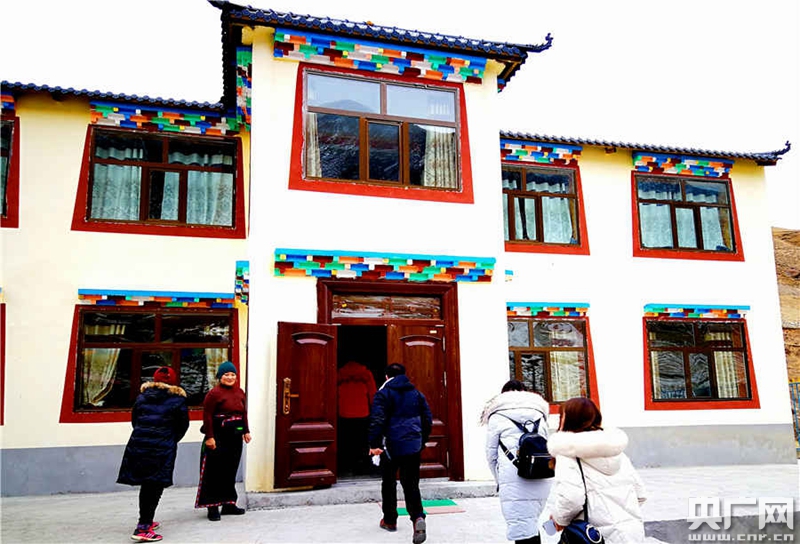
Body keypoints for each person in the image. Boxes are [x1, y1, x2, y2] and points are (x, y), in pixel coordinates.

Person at [547, 397, 647, 544]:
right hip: (631, 534)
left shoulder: (567, 453)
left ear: (567, 420)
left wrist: (558, 519)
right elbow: (641, 494)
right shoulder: (616, 452)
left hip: (594, 536)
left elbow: (571, 498)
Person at [117, 366, 190, 542]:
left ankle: (146, 520)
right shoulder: (177, 399)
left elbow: (135, 421)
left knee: (147, 484)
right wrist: (171, 439)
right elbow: (182, 426)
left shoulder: (142, 397)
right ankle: (143, 526)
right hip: (162, 447)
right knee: (154, 485)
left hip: (139, 444)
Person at [480, 379, 552, 544]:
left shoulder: (497, 416)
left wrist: (499, 479)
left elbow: (491, 455)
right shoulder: (540, 414)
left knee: (521, 527)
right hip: (541, 474)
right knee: (531, 523)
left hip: (513, 476)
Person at [368, 363, 432, 544]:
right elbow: (427, 420)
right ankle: (417, 517)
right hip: (412, 445)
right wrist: (421, 441)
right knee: (411, 483)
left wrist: (374, 444)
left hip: (390, 446)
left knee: (389, 482)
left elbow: (377, 420)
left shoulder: (383, 394)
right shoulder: (417, 394)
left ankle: (389, 520)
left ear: (387, 377)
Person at [195, 361, 252, 521]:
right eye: (226, 374)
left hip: (235, 437)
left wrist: (246, 431)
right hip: (217, 438)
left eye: (233, 374)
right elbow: (207, 416)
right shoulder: (213, 394)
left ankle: (229, 504)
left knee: (230, 470)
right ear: (220, 376)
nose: (230, 377)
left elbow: (243, 413)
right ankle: (212, 507)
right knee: (214, 472)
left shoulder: (240, 392)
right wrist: (210, 437)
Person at [337, 360, 378, 475]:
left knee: (346, 441)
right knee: (362, 442)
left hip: (344, 412)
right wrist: (375, 410)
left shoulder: (339, 374)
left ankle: (346, 467)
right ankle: (361, 467)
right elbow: (372, 394)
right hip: (362, 412)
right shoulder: (366, 374)